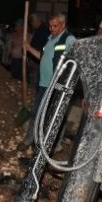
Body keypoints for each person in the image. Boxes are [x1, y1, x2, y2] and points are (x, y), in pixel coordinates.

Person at [21, 13, 76, 148]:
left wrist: (66, 80)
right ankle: (30, 140)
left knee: (54, 116)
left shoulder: (69, 39)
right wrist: (28, 48)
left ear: (63, 25)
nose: (51, 29)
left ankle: (50, 145)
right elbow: (42, 55)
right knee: (36, 112)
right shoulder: (50, 38)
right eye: (50, 26)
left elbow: (76, 60)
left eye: (55, 26)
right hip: (44, 83)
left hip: (57, 85)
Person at [27, 13, 50, 92]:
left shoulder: (43, 30)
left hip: (39, 61)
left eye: (31, 23)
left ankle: (36, 97)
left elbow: (47, 45)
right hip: (36, 59)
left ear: (36, 21)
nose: (31, 25)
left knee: (37, 81)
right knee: (35, 80)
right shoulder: (38, 30)